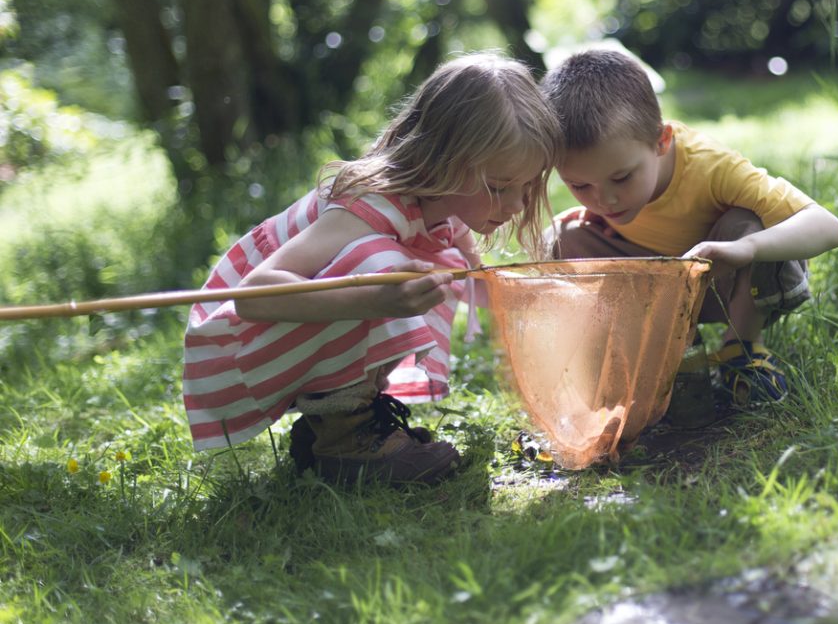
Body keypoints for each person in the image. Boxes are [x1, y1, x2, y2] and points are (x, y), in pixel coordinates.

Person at [183, 54, 562, 487]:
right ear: (445, 158)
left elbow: (479, 278)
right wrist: (376, 299)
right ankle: (346, 441)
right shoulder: (369, 208)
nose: (515, 206)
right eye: (498, 187)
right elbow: (255, 296)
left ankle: (333, 426)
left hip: (279, 340)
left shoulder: (444, 205)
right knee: (385, 267)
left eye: (527, 187)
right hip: (233, 346)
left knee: (437, 267)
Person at [541, 49, 838, 406]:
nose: (604, 201)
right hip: (659, 289)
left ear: (662, 140)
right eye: (580, 186)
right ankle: (663, 352)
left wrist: (747, 248)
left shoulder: (711, 167)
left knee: (749, 223)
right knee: (561, 239)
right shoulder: (606, 188)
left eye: (621, 178)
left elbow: (828, 226)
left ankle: (741, 350)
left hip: (725, 284)